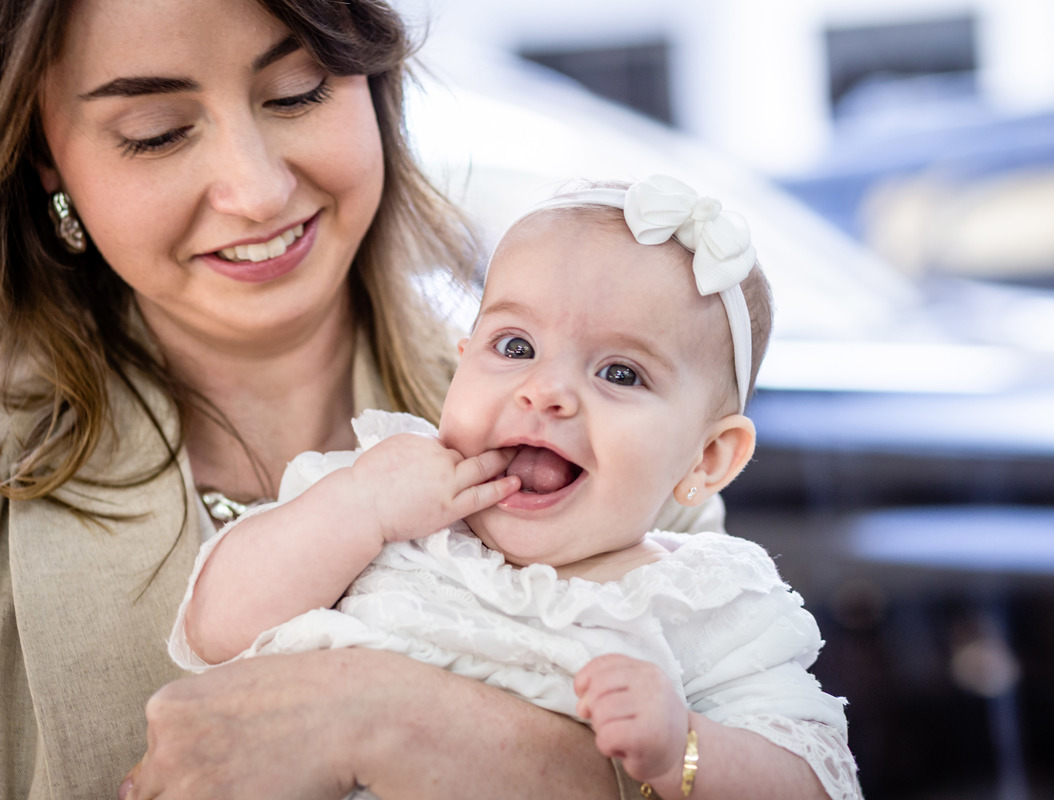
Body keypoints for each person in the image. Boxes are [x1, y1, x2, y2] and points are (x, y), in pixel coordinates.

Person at [0, 1, 726, 799]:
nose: (258, 190)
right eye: (158, 131)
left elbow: (759, 759)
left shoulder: (593, 429)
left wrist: (388, 724)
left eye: (298, 92)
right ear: (47, 160)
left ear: (375, 84)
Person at [172, 175, 862, 800]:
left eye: (620, 373)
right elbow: (214, 628)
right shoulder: (384, 498)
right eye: (515, 347)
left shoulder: (704, 606)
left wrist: (685, 746)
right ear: (461, 361)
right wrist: (359, 505)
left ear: (709, 457)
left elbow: (816, 779)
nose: (547, 392)